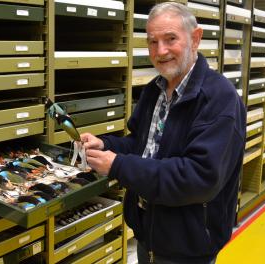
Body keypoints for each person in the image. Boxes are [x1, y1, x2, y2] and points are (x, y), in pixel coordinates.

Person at [81, 2, 246, 264]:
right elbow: (141, 144)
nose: (161, 51)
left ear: (195, 38)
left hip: (189, 247)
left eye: (170, 39)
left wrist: (117, 165)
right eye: (152, 42)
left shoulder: (219, 99)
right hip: (148, 232)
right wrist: (105, 145)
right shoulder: (154, 90)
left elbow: (198, 177)